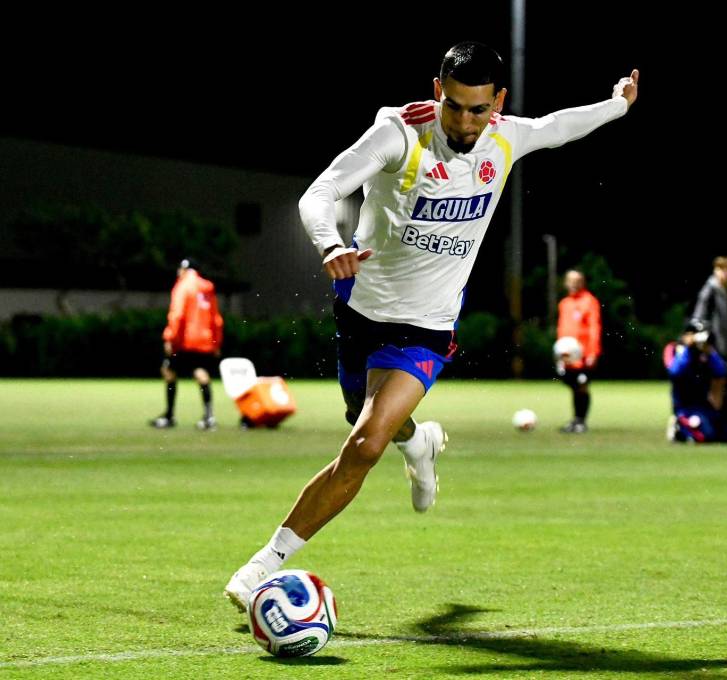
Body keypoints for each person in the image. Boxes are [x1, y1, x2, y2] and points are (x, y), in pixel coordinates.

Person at [224, 41, 639, 610]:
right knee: (368, 420)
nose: (467, 122)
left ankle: (260, 566)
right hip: (361, 311)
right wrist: (330, 245)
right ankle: (420, 442)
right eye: (456, 107)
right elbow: (319, 194)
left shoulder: (505, 136)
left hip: (427, 327)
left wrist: (616, 105)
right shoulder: (398, 132)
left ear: (499, 101)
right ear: (438, 91)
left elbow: (558, 126)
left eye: (480, 109)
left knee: (365, 443)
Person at [149, 258, 223, 431]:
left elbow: (177, 314)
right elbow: (216, 319)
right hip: (205, 339)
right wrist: (216, 342)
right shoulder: (207, 288)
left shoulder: (183, 286)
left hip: (185, 339)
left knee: (168, 371)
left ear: (185, 270)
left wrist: (170, 337)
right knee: (201, 373)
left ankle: (169, 415)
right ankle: (209, 416)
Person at [665, 319, 727, 443]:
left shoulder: (707, 354)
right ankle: (678, 426)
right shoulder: (676, 349)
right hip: (685, 406)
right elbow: (674, 372)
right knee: (706, 436)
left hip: (705, 405)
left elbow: (721, 371)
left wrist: (710, 352)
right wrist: (688, 349)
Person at [556, 270, 602, 433]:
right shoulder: (564, 303)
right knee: (574, 386)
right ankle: (576, 420)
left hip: (583, 355)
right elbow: (561, 329)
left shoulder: (589, 301)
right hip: (567, 356)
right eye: (570, 280)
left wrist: (592, 352)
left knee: (582, 385)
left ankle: (580, 421)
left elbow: (594, 327)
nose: (573, 284)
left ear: (582, 283)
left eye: (577, 281)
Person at [692, 256, 727, 361]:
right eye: (725, 270)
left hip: (726, 344)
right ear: (716, 270)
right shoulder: (709, 291)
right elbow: (698, 317)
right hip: (712, 345)